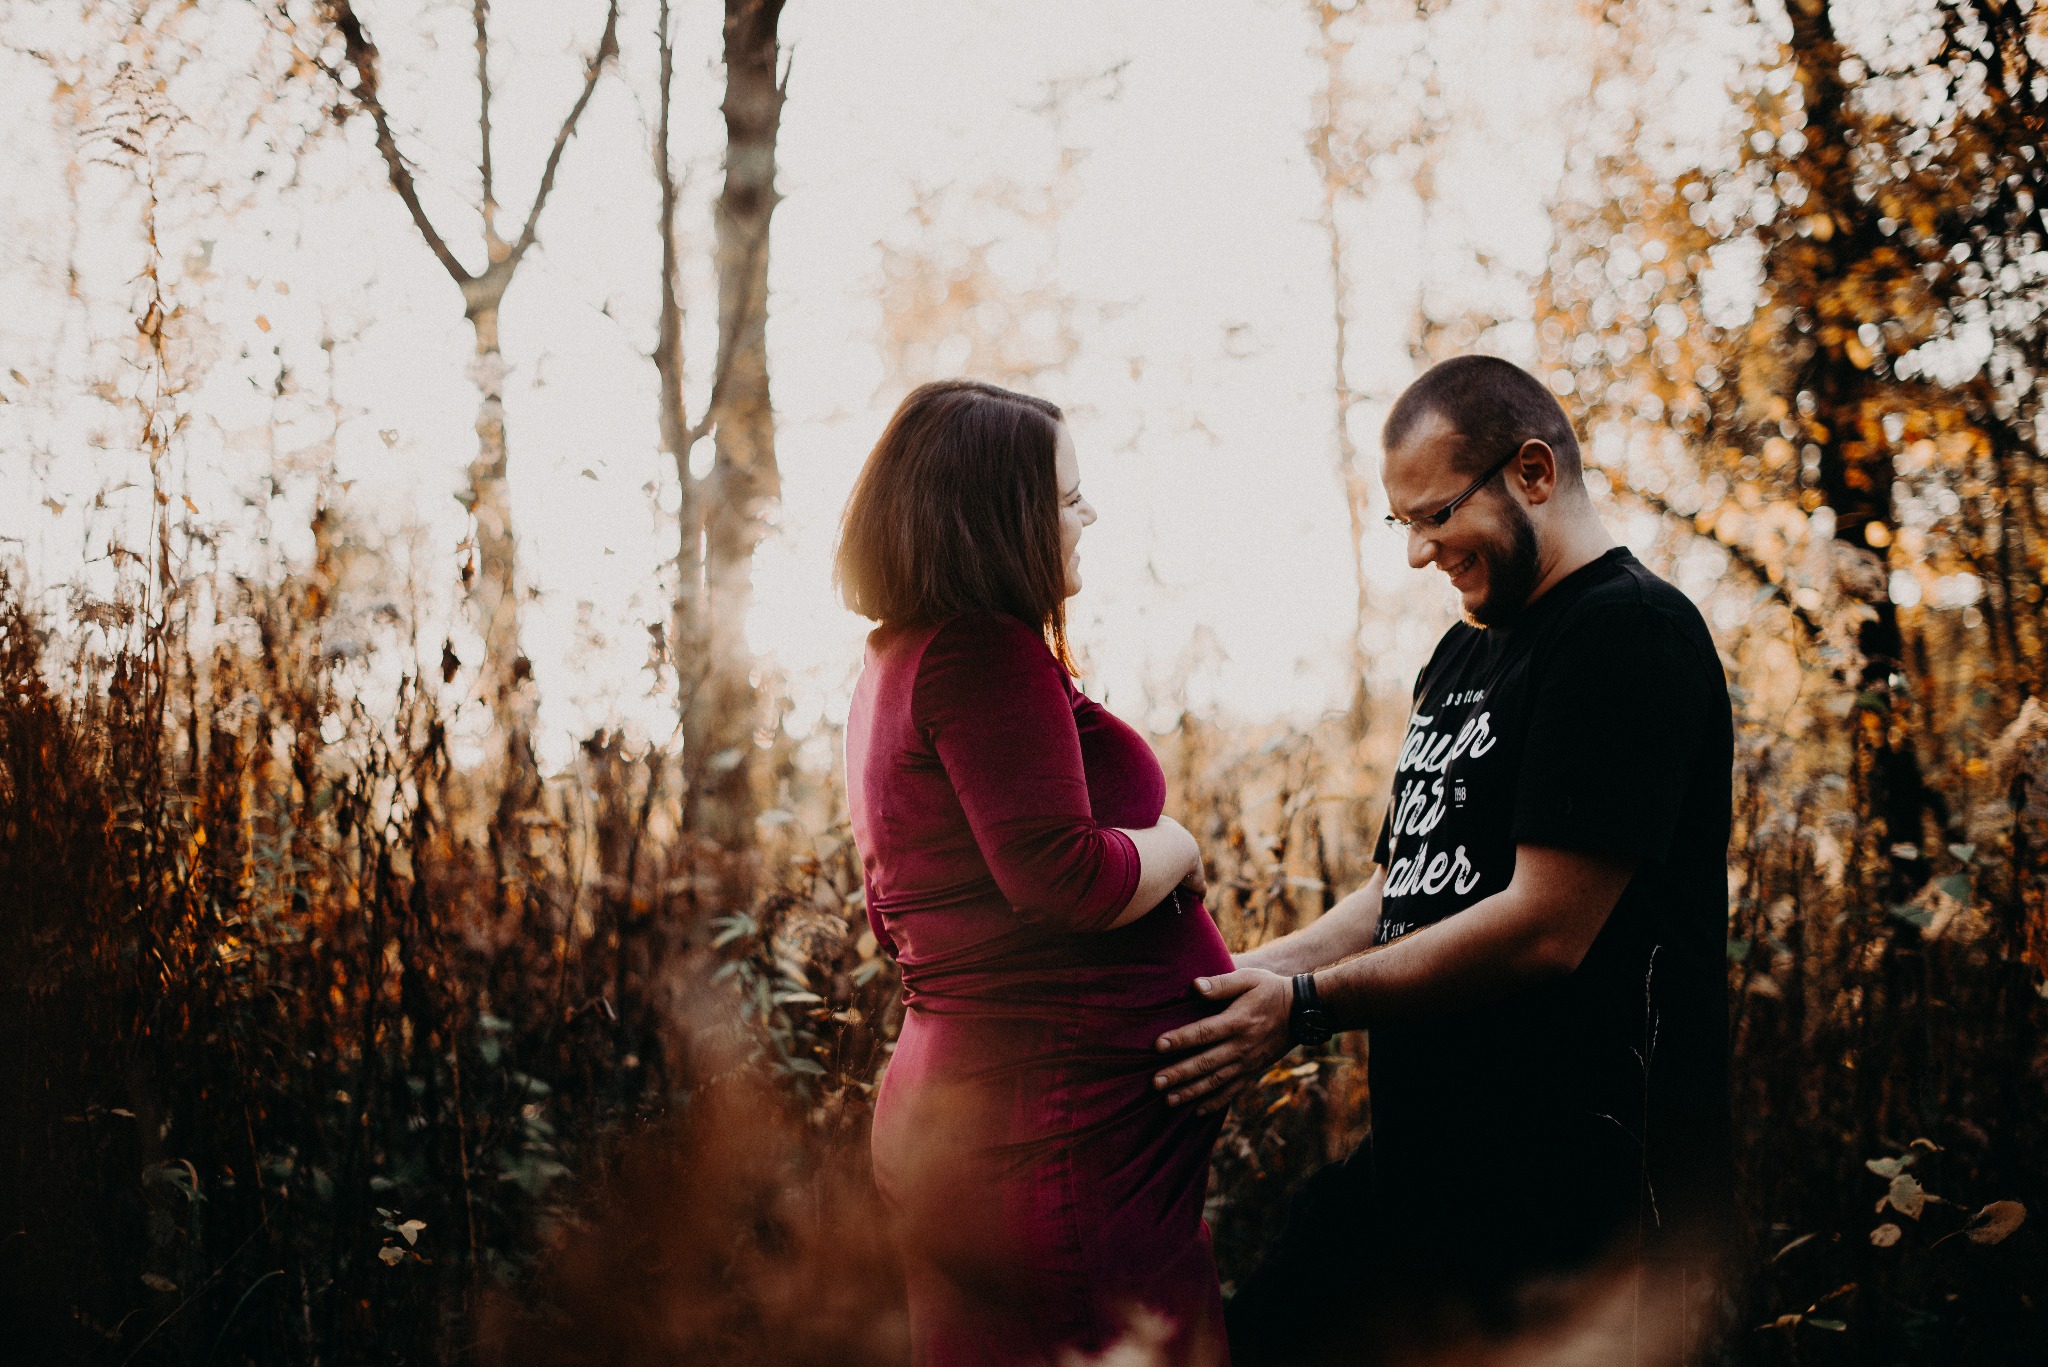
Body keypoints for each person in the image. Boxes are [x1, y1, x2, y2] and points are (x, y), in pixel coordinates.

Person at [1152, 356, 1735, 1364]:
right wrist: (1254, 973)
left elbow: (1547, 924)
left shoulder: (1625, 636)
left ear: (1533, 472)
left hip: (1571, 1191)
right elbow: (1405, 885)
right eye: (1401, 525)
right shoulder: (1467, 649)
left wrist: (1301, 1010)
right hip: (1430, 1169)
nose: (1417, 553)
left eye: (1434, 516)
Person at [836, 379, 1234, 1366]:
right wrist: (1178, 847)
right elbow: (1065, 877)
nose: (1087, 514)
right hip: (1046, 1130)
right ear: (998, 514)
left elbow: (907, 908)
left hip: (994, 1113)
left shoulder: (896, 660)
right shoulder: (980, 651)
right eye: (1066, 497)